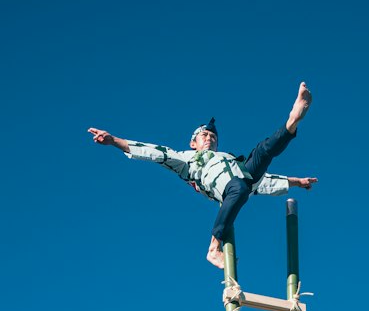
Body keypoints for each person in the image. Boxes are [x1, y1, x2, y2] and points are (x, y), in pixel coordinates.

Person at [88, 82, 317, 267]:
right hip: (224, 187)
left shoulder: (225, 156)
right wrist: (114, 141)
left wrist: (297, 182)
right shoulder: (185, 159)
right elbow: (155, 152)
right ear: (193, 142)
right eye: (204, 135)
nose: (209, 138)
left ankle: (293, 120)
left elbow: (264, 182)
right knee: (240, 188)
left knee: (264, 151)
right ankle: (213, 248)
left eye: (213, 137)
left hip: (243, 174)